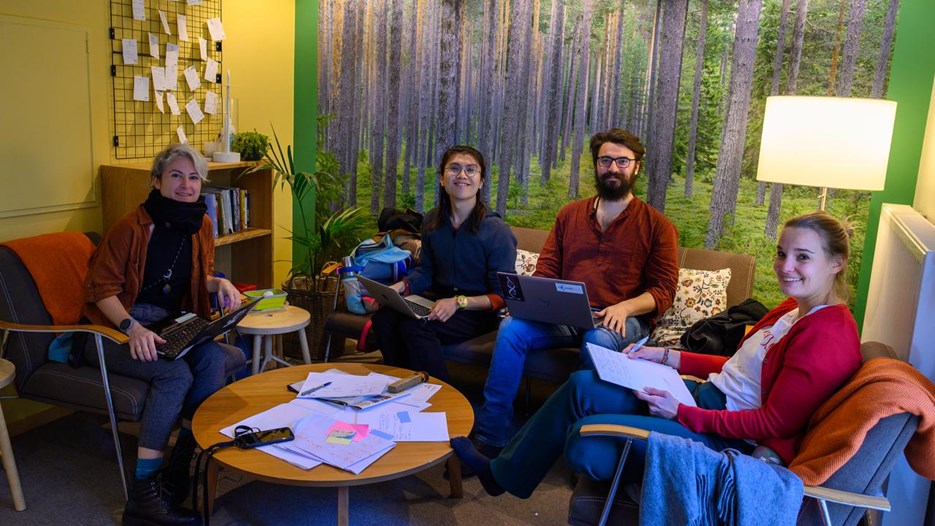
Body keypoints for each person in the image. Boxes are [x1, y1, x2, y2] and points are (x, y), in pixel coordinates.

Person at [451, 211, 863, 500]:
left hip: (724, 435)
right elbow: (736, 367)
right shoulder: (791, 311)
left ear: (836, 263)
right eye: (781, 253)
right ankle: (500, 474)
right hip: (701, 397)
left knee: (583, 444)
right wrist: (664, 358)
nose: (785, 266)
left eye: (802, 257)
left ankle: (560, 464)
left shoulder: (827, 333)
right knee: (580, 383)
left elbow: (771, 422)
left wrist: (680, 413)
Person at [472, 128, 679, 457]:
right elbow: (547, 268)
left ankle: (577, 442)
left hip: (620, 320)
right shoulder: (570, 214)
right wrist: (531, 304)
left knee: (596, 341)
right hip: (566, 313)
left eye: (622, 161)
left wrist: (625, 308)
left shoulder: (657, 225)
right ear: (596, 165)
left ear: (636, 167)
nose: (613, 168)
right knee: (511, 329)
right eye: (606, 160)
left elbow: (664, 289)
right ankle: (490, 437)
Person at [81, 144, 245, 526]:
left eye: (193, 177)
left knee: (216, 359)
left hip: (170, 325)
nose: (186, 185)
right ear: (156, 181)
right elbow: (100, 289)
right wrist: (131, 327)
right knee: (176, 374)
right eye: (176, 175)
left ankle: (178, 470)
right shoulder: (130, 227)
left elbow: (189, 279)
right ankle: (143, 495)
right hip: (114, 330)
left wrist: (218, 282)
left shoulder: (199, 224)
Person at [370, 145, 517, 382]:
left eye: (471, 170)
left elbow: (503, 296)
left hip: (474, 311)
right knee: (384, 319)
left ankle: (439, 396)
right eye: (454, 168)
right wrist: (399, 288)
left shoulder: (497, 232)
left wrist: (459, 303)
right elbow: (426, 271)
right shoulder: (432, 220)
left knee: (416, 327)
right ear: (441, 178)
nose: (462, 175)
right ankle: (399, 386)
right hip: (434, 300)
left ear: (480, 182)